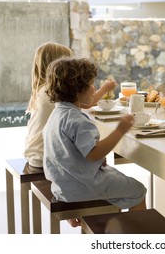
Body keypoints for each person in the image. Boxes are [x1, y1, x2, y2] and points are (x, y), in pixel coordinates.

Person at [43, 56, 146, 227]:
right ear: (78, 90)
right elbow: (94, 153)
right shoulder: (77, 120)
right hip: (83, 186)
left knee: (116, 177)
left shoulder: (58, 114)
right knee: (138, 190)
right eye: (91, 84)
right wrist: (120, 130)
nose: (94, 88)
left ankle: (89, 216)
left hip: (63, 185)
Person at [24, 42, 116, 168]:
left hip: (35, 152)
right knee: (92, 154)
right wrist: (106, 88)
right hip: (45, 155)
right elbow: (88, 102)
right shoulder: (51, 91)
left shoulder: (43, 89)